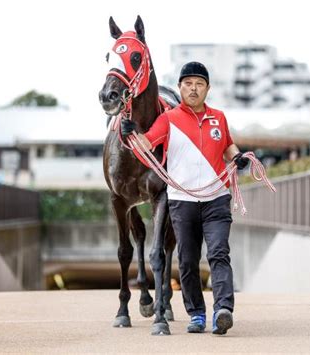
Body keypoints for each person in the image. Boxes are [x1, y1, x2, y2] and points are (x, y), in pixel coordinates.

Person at [121, 61, 249, 335]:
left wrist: (238, 157)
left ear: (208, 89)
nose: (193, 89)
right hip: (183, 201)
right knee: (188, 261)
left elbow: (227, 145)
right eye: (188, 83)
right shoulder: (168, 119)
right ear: (179, 87)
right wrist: (130, 134)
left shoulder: (219, 118)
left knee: (218, 253)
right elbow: (147, 143)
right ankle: (197, 314)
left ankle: (223, 309)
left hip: (216, 198)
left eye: (199, 84)